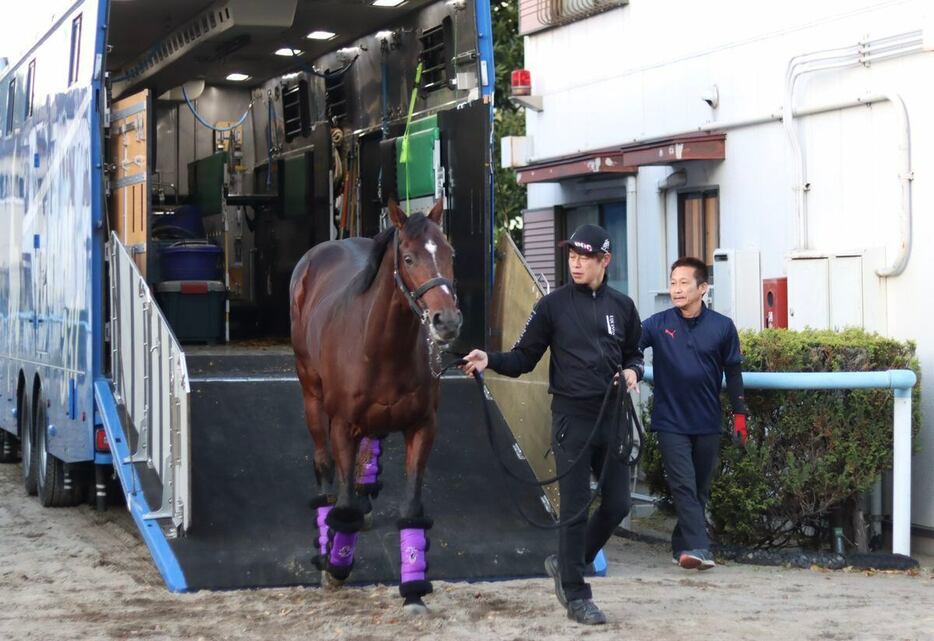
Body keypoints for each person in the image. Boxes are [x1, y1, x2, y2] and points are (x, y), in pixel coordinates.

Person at [462, 224, 643, 625]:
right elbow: (524, 357)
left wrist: (633, 371)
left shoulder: (623, 307)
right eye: (572, 257)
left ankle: (567, 564)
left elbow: (635, 353)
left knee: (618, 504)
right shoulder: (552, 306)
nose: (576, 264)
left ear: (604, 261)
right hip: (571, 419)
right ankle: (577, 593)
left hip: (613, 417)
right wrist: (488, 360)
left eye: (585, 257)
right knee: (575, 509)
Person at [640, 257, 748, 570]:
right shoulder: (658, 324)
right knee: (684, 486)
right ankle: (700, 549)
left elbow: (734, 373)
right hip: (671, 421)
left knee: (698, 490)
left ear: (702, 288)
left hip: (707, 422)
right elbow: (629, 345)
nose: (676, 289)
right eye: (673, 282)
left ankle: (681, 548)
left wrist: (739, 416)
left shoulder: (722, 327)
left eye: (684, 283)